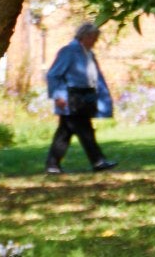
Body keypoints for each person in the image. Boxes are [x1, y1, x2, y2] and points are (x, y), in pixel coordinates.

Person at [44, 22, 116, 174]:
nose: (95, 42)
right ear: (85, 36)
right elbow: (53, 74)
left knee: (65, 132)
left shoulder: (89, 54)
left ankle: (52, 164)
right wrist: (58, 96)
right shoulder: (69, 51)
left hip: (85, 97)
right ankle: (98, 161)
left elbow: (95, 77)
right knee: (84, 130)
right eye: (94, 38)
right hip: (71, 98)